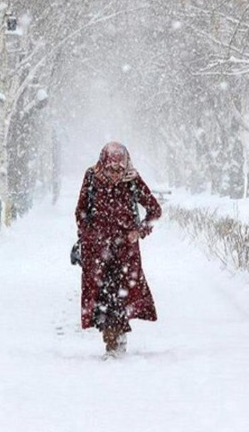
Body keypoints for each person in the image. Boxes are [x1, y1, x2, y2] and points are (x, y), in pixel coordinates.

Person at [75, 142, 162, 357]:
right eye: (110, 169)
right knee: (102, 297)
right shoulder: (91, 177)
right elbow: (81, 211)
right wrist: (89, 235)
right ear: (103, 164)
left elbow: (154, 210)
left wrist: (139, 231)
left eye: (119, 169)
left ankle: (115, 342)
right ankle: (112, 339)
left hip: (125, 253)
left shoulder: (132, 180)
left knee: (119, 296)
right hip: (97, 251)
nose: (115, 174)